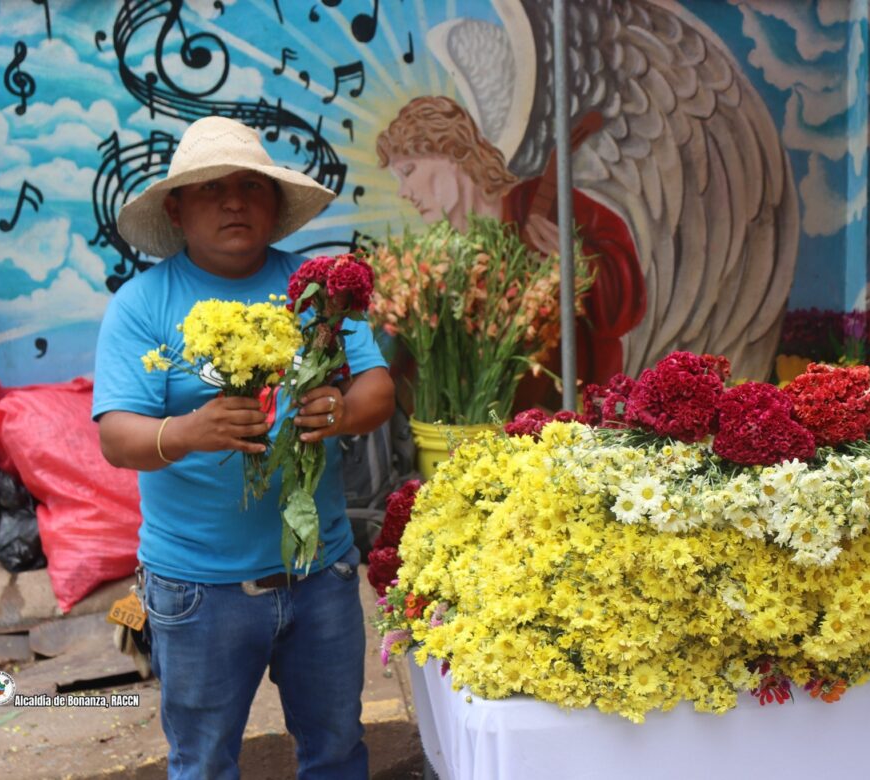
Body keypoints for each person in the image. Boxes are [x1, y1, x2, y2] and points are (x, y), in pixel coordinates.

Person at [93, 115, 394, 779]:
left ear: (274, 203)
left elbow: (378, 388)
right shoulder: (142, 305)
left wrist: (342, 411)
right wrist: (186, 432)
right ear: (176, 209)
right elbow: (116, 437)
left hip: (319, 577)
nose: (233, 201)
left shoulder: (315, 294)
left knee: (338, 753)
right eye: (211, 188)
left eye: (250, 186)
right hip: (198, 589)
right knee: (202, 764)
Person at [375, 95, 646, 409]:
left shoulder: (540, 204)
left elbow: (623, 295)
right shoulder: (443, 260)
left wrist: (578, 263)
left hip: (565, 418)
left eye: (408, 171)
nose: (404, 192)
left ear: (453, 152)